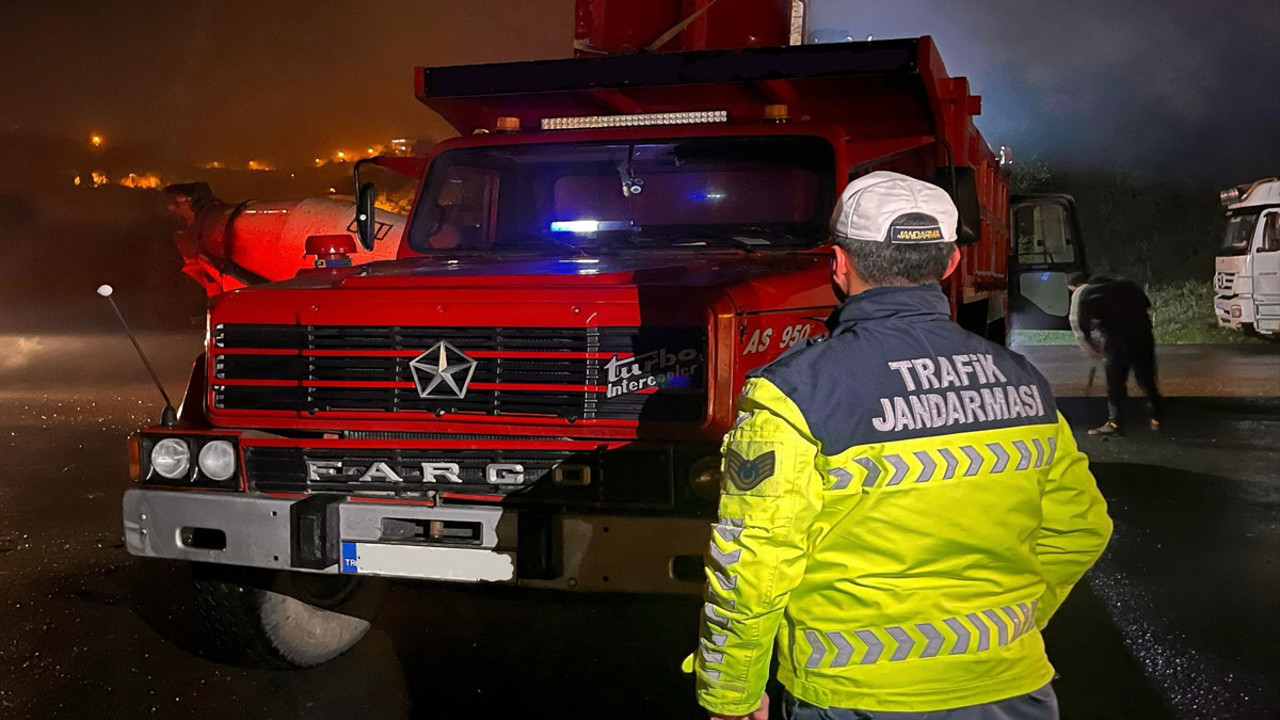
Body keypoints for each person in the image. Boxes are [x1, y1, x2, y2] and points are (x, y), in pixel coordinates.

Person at [688, 171, 1113, 720]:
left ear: (839, 264)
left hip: (853, 699)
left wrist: (731, 696)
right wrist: (1008, 625)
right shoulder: (1023, 380)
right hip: (1011, 690)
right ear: (951, 263)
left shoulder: (793, 393)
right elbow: (1081, 529)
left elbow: (753, 564)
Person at [1066, 272, 1162, 436]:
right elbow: (1147, 305)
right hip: (1143, 337)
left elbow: (1082, 324)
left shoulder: (1087, 294)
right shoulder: (1128, 285)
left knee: (1115, 383)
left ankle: (1115, 422)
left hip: (1115, 342)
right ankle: (1157, 416)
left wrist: (1091, 345)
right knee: (1147, 379)